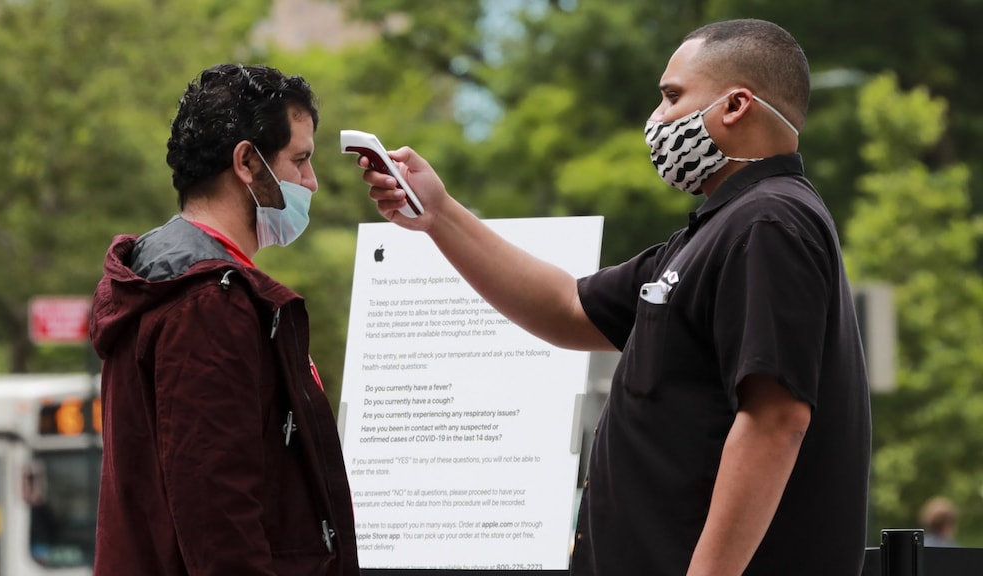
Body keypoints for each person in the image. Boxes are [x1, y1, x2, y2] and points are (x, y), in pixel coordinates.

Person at [357, 18, 871, 576]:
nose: (658, 119)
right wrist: (440, 215)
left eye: (673, 96)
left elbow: (775, 419)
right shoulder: (714, 233)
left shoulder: (769, 223)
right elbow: (566, 307)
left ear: (735, 105)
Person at [89, 64, 359, 576]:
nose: (312, 183)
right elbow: (220, 513)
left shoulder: (165, 278)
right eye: (300, 161)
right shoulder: (207, 300)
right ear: (246, 162)